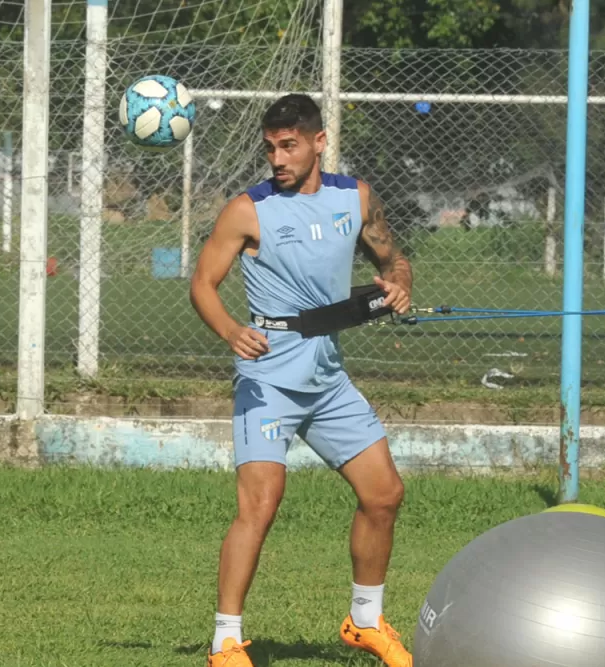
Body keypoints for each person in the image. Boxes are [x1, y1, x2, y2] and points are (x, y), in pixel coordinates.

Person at [189, 94, 414, 667]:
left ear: (319, 142)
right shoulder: (247, 210)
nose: (277, 159)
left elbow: (393, 260)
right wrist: (230, 330)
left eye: (288, 146)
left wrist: (399, 285)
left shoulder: (355, 196)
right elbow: (203, 286)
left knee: (384, 494)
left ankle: (364, 621)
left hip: (328, 379)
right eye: (270, 148)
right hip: (268, 380)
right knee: (260, 505)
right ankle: (226, 643)